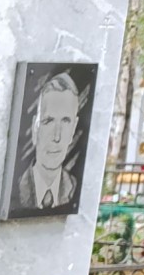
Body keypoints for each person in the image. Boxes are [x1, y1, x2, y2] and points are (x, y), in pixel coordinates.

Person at [10, 70, 87, 216]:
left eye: (65, 121)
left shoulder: (74, 188)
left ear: (73, 129)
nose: (57, 136)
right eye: (48, 121)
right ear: (35, 128)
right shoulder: (16, 186)